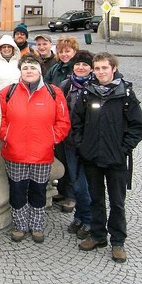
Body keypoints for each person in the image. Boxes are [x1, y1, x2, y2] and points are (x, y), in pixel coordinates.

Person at [73, 52, 142, 263]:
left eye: (105, 68)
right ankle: (98, 235)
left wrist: (123, 148)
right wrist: (82, 146)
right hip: (92, 157)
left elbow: (137, 126)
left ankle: (118, 242)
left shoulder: (126, 95)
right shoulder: (88, 94)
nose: (101, 72)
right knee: (96, 199)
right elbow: (76, 123)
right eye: (97, 68)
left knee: (117, 202)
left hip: (116, 160)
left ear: (113, 69)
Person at [0, 53, 70, 244]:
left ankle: (37, 226)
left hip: (42, 153)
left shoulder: (54, 92)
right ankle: (20, 225)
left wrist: (52, 139)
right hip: (15, 152)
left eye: (33, 68)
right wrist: (6, 135)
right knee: (17, 190)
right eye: (25, 68)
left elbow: (63, 121)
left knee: (38, 191)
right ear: (20, 71)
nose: (29, 71)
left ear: (40, 71)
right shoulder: (7, 92)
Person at [59, 50, 95, 240]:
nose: (81, 67)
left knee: (86, 185)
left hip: (90, 144)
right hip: (70, 142)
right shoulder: (66, 85)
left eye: (85, 65)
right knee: (76, 182)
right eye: (78, 64)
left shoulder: (96, 86)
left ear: (91, 68)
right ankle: (80, 216)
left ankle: (88, 219)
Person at [45, 35, 80, 213]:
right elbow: (46, 88)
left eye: (67, 51)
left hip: (72, 123)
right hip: (56, 120)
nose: (64, 54)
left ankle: (72, 196)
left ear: (74, 51)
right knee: (61, 157)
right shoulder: (55, 69)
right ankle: (63, 189)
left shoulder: (78, 68)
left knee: (72, 160)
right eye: (61, 51)